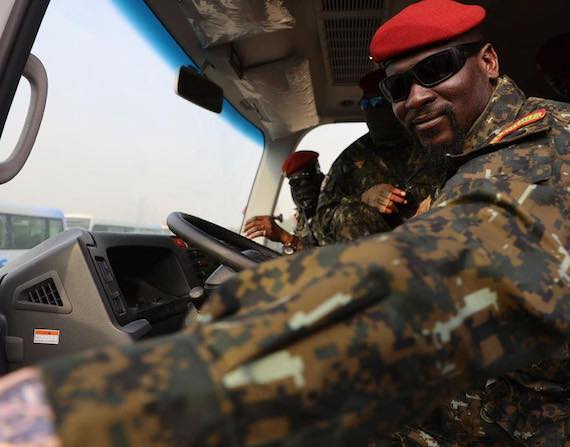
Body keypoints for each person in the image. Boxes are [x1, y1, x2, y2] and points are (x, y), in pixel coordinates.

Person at [1, 1, 569, 446]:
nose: (416, 97)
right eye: (399, 86)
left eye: (437, 69)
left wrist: (79, 411)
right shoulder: (475, 153)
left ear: (488, 62)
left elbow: (425, 285)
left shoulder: (539, 151)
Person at [313, 69, 439, 244]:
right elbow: (320, 223)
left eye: (379, 102)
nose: (373, 110)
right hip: (377, 254)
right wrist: (363, 199)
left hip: (437, 243)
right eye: (366, 104)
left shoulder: (434, 141)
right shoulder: (350, 158)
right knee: (351, 217)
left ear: (396, 103)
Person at [243, 150, 323, 254]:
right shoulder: (304, 217)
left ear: (320, 178)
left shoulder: (338, 213)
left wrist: (284, 237)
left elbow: (333, 260)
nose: (302, 191)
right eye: (295, 183)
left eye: (306, 180)